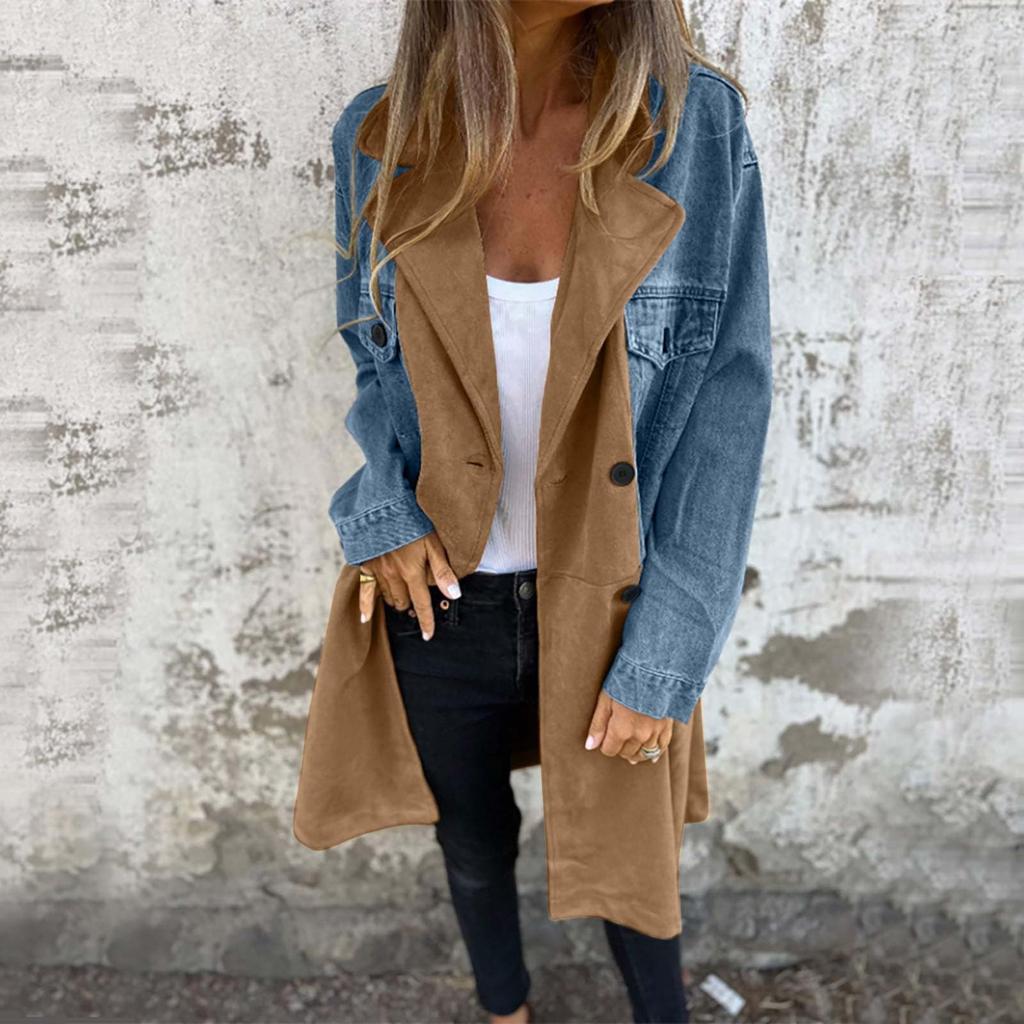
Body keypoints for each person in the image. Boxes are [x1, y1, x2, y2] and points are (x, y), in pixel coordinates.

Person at [293, 2, 772, 1022]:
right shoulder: (379, 137)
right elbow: (371, 361)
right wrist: (380, 512)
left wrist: (667, 652)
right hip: (442, 598)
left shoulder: (693, 129)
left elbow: (726, 409)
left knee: (629, 863)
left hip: (610, 601)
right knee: (471, 843)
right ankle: (503, 1012)